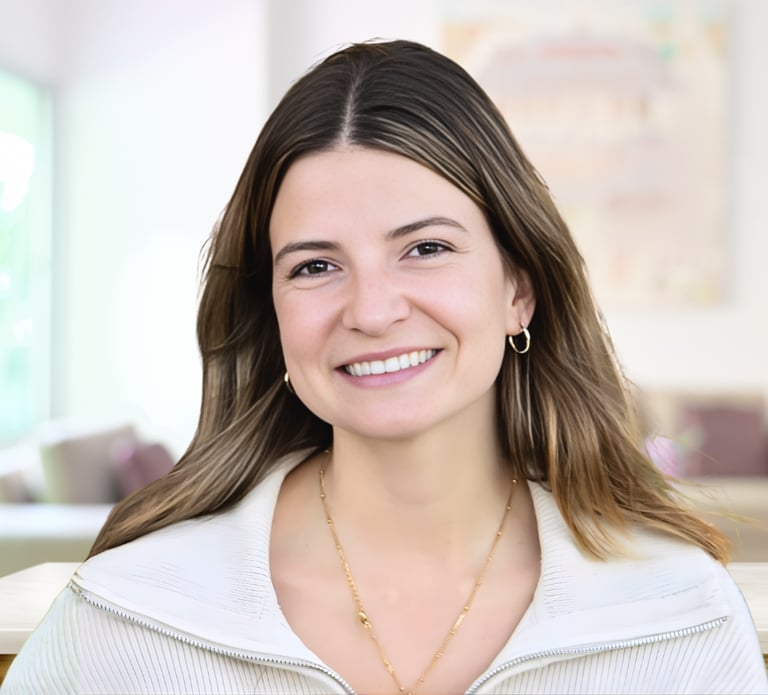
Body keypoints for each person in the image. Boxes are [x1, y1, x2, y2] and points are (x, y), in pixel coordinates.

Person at [2, 39, 766, 695]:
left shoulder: (679, 616)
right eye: (314, 266)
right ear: (271, 313)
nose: (371, 309)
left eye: (425, 248)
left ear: (518, 289)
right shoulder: (128, 614)